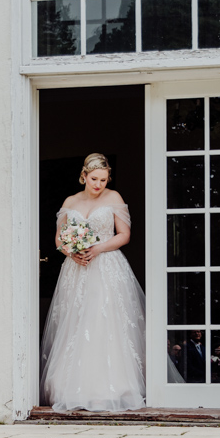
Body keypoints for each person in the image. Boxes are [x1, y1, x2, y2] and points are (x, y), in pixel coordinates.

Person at [40, 153, 146, 411]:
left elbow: (124, 235)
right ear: (84, 175)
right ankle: (71, 388)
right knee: (76, 322)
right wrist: (71, 252)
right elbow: (58, 239)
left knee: (103, 321)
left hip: (106, 265)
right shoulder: (70, 201)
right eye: (94, 179)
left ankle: (108, 388)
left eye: (104, 179)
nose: (99, 184)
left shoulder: (114, 198)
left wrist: (97, 249)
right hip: (76, 269)